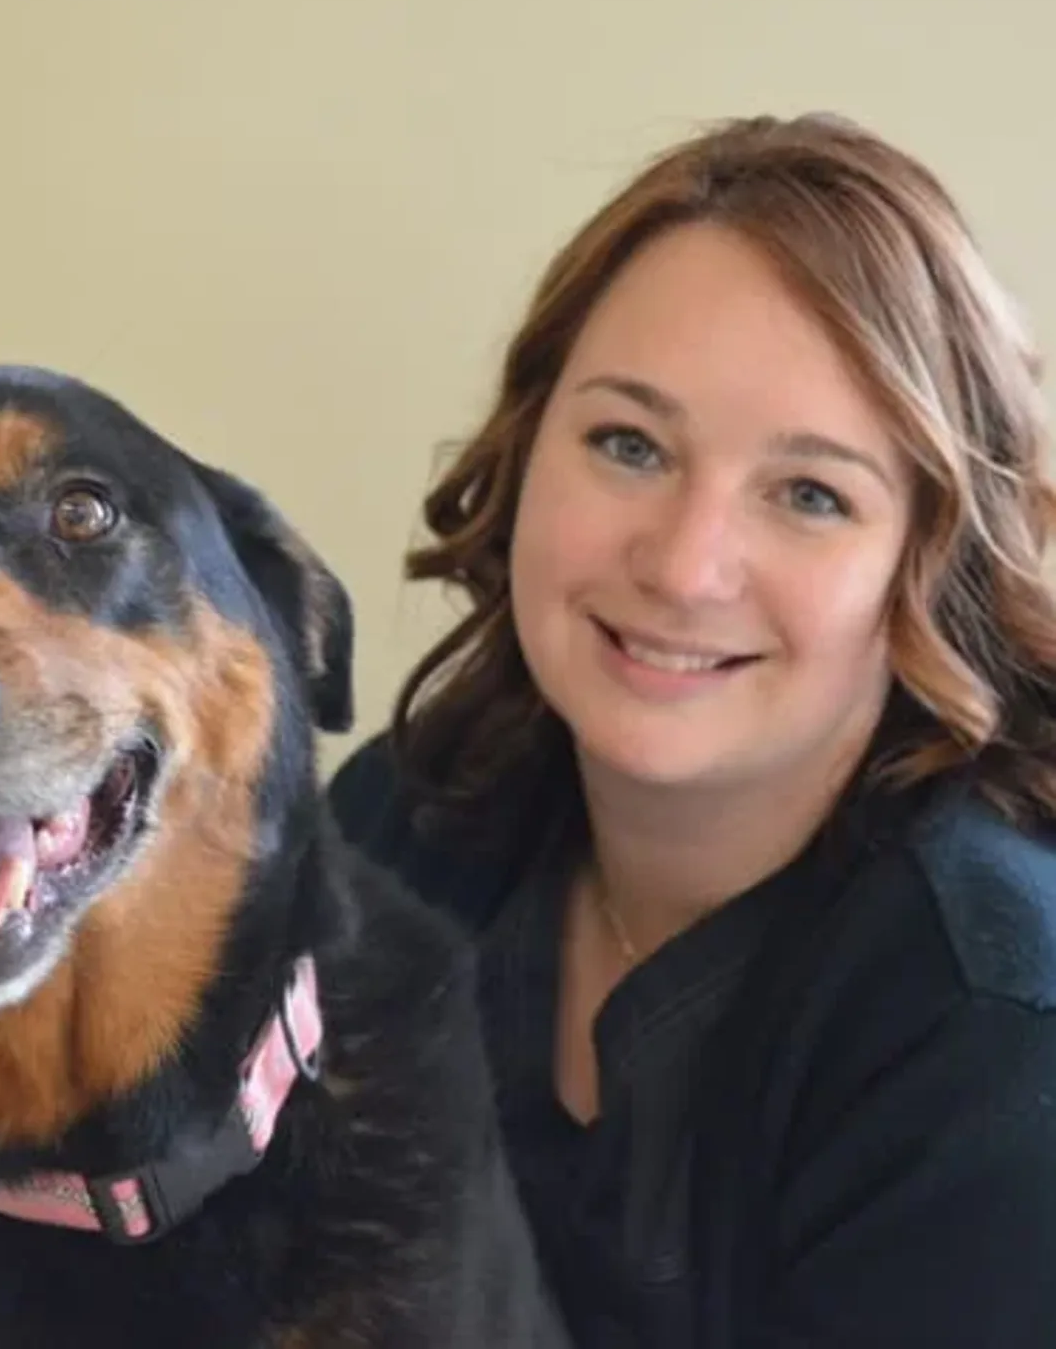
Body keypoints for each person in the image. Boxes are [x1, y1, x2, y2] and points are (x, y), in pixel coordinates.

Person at [327, 112, 1056, 1347]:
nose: (684, 562)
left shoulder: (996, 1034)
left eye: (811, 493)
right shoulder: (406, 816)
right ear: (525, 447)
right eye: (630, 443)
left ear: (930, 564)